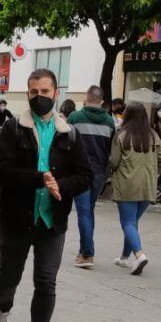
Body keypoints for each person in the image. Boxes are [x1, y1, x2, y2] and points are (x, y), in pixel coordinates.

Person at [0, 68, 92, 322]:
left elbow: (85, 175)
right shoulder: (13, 129)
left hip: (52, 222)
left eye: (45, 92)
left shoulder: (69, 134)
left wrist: (62, 185)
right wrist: (38, 179)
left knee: (46, 282)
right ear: (28, 93)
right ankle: (4, 308)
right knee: (8, 277)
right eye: (34, 92)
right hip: (16, 220)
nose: (39, 97)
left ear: (56, 94)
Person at [109, 102, 161, 275]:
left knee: (128, 223)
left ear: (127, 115)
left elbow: (114, 162)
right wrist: (154, 172)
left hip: (127, 185)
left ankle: (139, 254)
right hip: (147, 186)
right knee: (132, 223)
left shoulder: (121, 136)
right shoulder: (153, 136)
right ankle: (124, 257)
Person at [67, 86, 116, 269]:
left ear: (86, 98)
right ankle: (83, 251)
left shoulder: (75, 117)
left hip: (79, 171)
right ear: (102, 101)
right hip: (99, 172)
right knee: (89, 210)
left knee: (83, 212)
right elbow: (111, 149)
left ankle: (87, 254)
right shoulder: (109, 121)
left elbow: (66, 142)